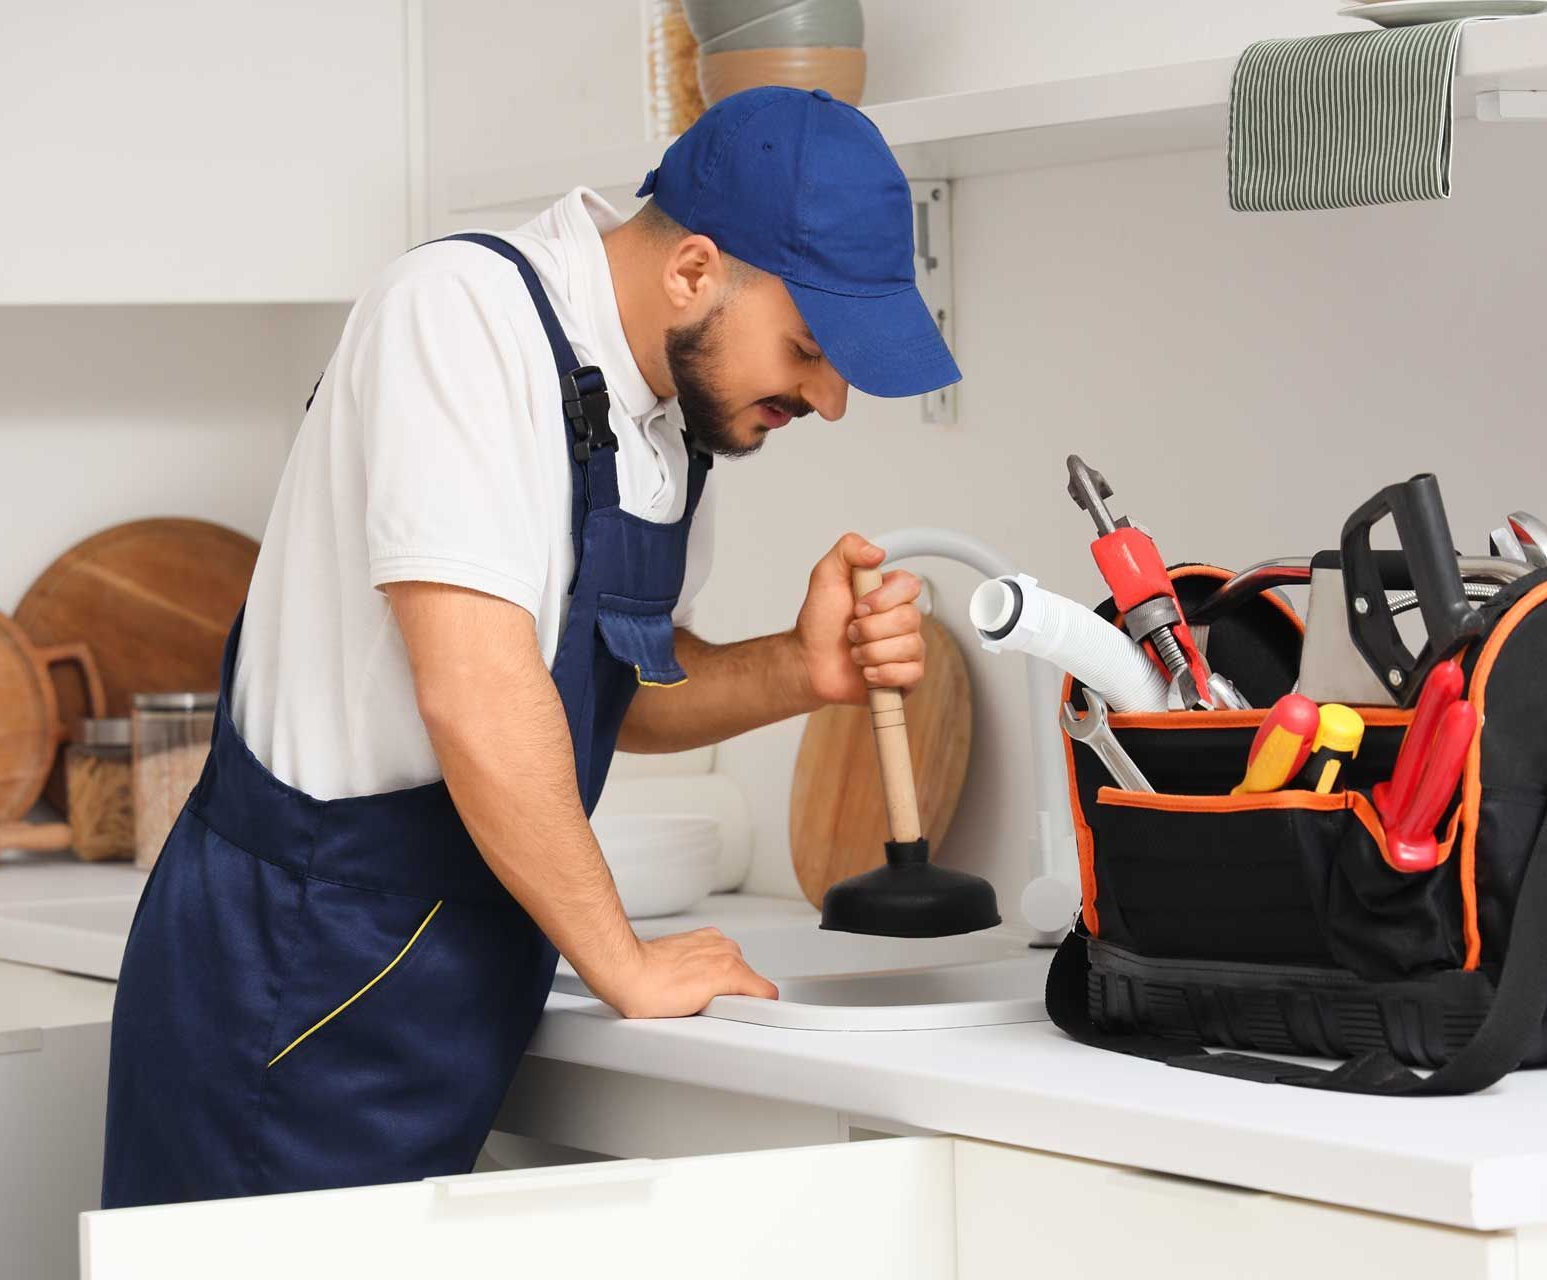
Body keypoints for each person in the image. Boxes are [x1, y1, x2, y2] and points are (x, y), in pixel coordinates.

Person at [102, 86, 960, 1207]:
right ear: (694, 270)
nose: (831, 397)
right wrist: (628, 962)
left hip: (460, 971)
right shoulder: (458, 318)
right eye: (809, 347)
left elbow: (608, 689)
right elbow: (478, 695)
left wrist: (800, 669)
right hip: (297, 964)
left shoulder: (663, 417)